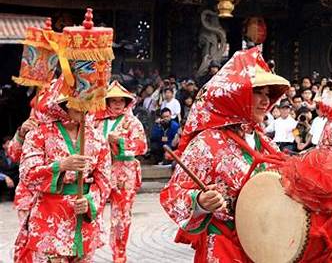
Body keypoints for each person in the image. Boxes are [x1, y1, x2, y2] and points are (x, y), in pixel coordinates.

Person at [160, 48, 291, 262]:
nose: (266, 101)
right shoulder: (208, 142)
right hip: (222, 246)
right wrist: (200, 201)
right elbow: (173, 193)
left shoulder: (264, 142)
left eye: (269, 95)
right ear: (236, 94)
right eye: (258, 92)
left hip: (262, 247)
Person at [18, 91, 111, 261]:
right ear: (64, 104)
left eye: (87, 102)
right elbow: (27, 174)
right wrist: (60, 166)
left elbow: (104, 180)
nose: (83, 107)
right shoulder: (40, 134)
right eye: (78, 101)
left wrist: (89, 201)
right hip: (49, 217)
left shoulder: (97, 138)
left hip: (82, 219)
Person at [96, 81, 148, 262]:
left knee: (121, 217)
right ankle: (88, 250)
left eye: (121, 101)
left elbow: (142, 146)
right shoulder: (96, 120)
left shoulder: (133, 122)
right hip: (101, 172)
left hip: (124, 174)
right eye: (113, 100)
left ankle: (119, 255)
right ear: (107, 102)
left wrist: (119, 141)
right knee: (92, 210)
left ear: (127, 102)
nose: (117, 104)